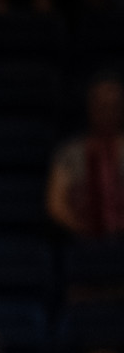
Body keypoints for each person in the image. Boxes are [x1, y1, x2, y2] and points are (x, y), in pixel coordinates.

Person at [47, 75, 124, 239]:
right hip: (82, 242)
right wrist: (84, 231)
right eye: (101, 105)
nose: (107, 111)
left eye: (113, 105)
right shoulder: (69, 152)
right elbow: (56, 205)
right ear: (90, 106)